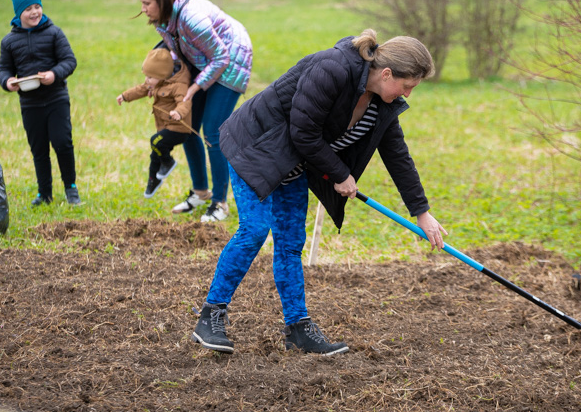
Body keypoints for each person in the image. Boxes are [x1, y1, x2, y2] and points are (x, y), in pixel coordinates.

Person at [191, 29, 448, 356]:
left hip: (292, 163)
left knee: (290, 241)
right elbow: (304, 130)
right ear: (386, 73)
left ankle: (298, 329)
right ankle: (210, 315)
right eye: (407, 85)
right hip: (253, 148)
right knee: (254, 229)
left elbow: (397, 155)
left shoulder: (383, 104)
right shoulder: (333, 69)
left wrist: (421, 212)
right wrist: (340, 174)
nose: (408, 94)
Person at [137, 0, 252, 222]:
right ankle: (200, 192)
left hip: (232, 58)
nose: (143, 9)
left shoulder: (192, 18)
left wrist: (194, 88)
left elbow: (220, 57)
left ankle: (220, 203)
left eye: (147, 3)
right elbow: (178, 53)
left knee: (212, 131)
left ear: (161, 0)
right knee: (187, 126)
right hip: (203, 59)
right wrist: (159, 79)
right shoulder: (162, 20)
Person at [0, 0, 80, 207]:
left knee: (62, 142)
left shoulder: (54, 32)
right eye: (28, 9)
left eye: (37, 6)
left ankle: (71, 188)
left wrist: (54, 74)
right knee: (39, 148)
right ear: (18, 13)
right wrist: (8, 82)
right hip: (30, 103)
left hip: (56, 98)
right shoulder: (9, 42)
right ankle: (44, 193)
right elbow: (4, 70)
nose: (34, 12)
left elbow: (70, 61)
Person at [117, 48, 193, 199]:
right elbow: (141, 89)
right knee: (154, 155)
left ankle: (169, 162)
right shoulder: (155, 82)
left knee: (155, 141)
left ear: (163, 75)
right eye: (146, 75)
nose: (147, 80)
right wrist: (125, 96)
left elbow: (185, 102)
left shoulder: (179, 85)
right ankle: (154, 181)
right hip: (165, 127)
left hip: (179, 129)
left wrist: (178, 112)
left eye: (150, 77)